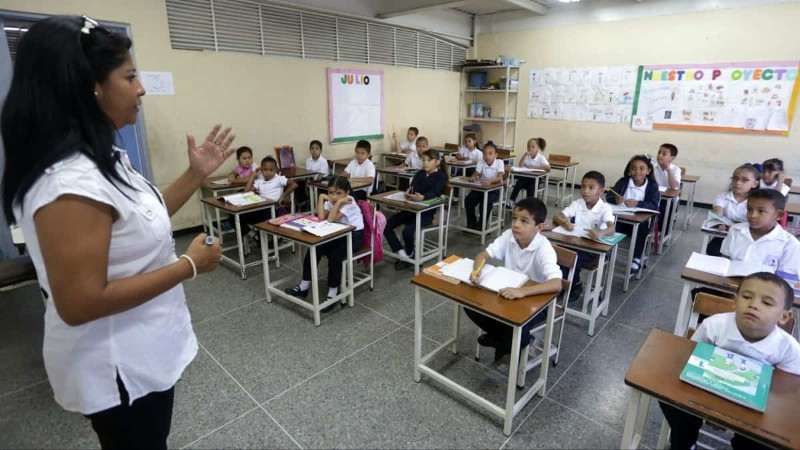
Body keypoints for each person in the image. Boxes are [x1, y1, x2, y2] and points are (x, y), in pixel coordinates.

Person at [1, 15, 233, 449]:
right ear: (91, 86)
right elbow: (80, 302)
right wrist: (188, 265)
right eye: (129, 76)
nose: (141, 89)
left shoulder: (99, 157)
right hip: (116, 366)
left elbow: (138, 219)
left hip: (143, 348)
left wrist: (195, 173)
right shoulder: (67, 181)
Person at [660, 272, 800, 450]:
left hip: (754, 414)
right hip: (705, 394)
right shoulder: (714, 326)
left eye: (766, 302)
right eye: (747, 297)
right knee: (671, 398)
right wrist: (709, 412)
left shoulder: (790, 350)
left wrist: (733, 418)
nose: (753, 305)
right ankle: (686, 443)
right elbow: (691, 362)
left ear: (784, 316)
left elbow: (782, 396)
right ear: (735, 300)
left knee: (766, 438)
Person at [465, 198, 562, 361]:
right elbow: (483, 255)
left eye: (524, 221)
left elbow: (557, 284)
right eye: (514, 218)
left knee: (516, 324)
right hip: (509, 293)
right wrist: (477, 270)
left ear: (539, 227)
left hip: (536, 299)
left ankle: (508, 341)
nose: (516, 224)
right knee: (470, 304)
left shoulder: (544, 248)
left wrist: (522, 292)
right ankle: (504, 339)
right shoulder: (508, 236)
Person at [285, 176, 364, 312]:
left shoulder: (350, 203)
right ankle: (304, 286)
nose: (333, 196)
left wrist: (338, 203)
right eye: (331, 192)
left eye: (338, 193)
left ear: (347, 193)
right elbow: (321, 218)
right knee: (315, 248)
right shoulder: (331, 200)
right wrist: (321, 198)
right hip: (337, 233)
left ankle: (333, 292)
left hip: (354, 236)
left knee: (335, 255)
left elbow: (331, 219)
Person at [552, 171, 615, 297]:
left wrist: (600, 233)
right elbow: (558, 215)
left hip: (593, 248)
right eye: (583, 187)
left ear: (601, 191)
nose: (585, 191)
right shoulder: (578, 203)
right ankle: (563, 286)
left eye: (591, 188)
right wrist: (565, 223)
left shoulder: (605, 208)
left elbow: (611, 228)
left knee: (571, 258)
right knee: (557, 254)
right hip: (576, 243)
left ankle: (574, 285)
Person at [383, 149, 448, 270]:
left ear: (437, 162)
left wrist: (423, 197)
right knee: (385, 225)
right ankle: (401, 253)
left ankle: (410, 254)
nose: (425, 163)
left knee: (407, 231)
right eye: (423, 160)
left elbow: (436, 192)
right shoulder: (420, 173)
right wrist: (409, 193)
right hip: (411, 209)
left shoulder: (440, 176)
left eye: (429, 160)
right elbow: (413, 187)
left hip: (426, 214)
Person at [720, 189, 800, 274]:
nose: (752, 215)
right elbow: (725, 261)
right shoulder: (735, 230)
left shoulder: (789, 244)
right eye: (749, 209)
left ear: (779, 215)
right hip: (729, 284)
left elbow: (786, 280)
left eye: (761, 211)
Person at [606, 155, 660, 273]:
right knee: (610, 224)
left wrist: (638, 204)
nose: (637, 171)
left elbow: (654, 205)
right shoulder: (623, 181)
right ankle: (608, 250)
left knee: (641, 229)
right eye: (633, 168)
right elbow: (609, 195)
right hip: (622, 219)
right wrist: (615, 199)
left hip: (641, 222)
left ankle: (636, 258)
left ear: (648, 171)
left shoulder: (652, 186)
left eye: (642, 168)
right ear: (629, 170)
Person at [706, 163, 761, 256]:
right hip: (726, 235)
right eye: (735, 178)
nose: (738, 182)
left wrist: (736, 226)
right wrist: (720, 222)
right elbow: (718, 214)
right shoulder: (722, 196)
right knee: (712, 251)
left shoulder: (758, 201)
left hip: (748, 237)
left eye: (745, 180)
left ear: (755, 183)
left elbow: (757, 223)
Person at [465, 141, 505, 230]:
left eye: (490, 154)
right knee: (468, 200)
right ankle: (471, 223)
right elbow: (477, 172)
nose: (487, 156)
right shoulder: (481, 161)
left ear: (496, 155)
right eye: (485, 154)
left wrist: (490, 182)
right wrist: (473, 177)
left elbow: (499, 178)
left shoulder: (499, 162)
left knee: (485, 202)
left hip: (494, 190)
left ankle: (482, 225)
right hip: (482, 188)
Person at [507, 137, 550, 207]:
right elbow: (520, 166)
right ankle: (511, 201)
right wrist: (524, 156)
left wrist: (534, 167)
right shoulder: (527, 156)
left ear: (537, 148)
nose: (530, 149)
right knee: (518, 183)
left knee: (531, 187)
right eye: (528, 147)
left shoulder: (541, 157)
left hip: (537, 180)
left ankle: (529, 205)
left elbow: (548, 168)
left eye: (533, 147)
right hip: (526, 178)